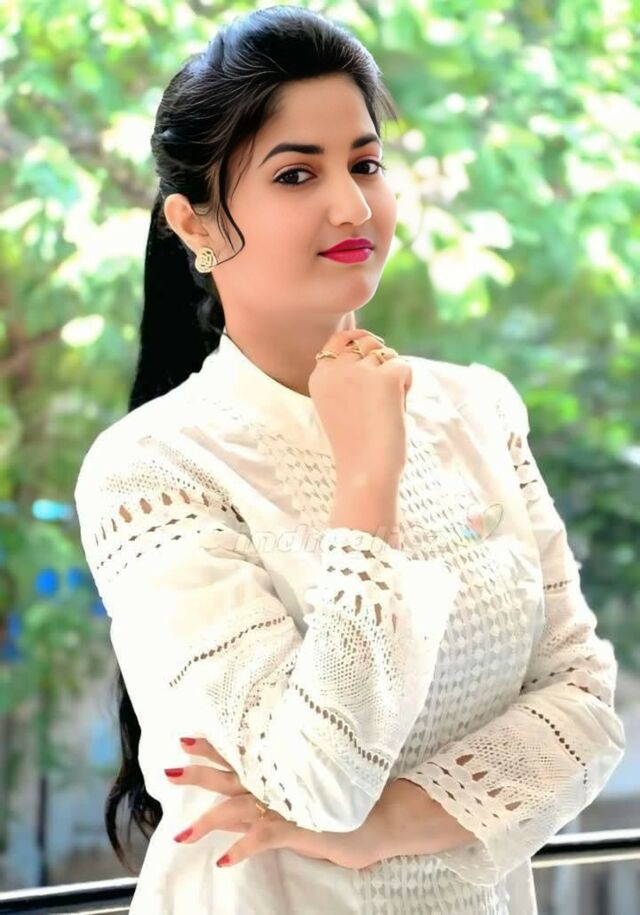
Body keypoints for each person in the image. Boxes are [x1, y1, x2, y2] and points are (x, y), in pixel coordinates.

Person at [73, 6, 626, 914]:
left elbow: (587, 707)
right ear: (195, 224)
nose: (352, 204)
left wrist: (381, 828)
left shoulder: (480, 409)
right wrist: (367, 479)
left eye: (365, 163)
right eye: (297, 173)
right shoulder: (151, 468)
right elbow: (315, 780)